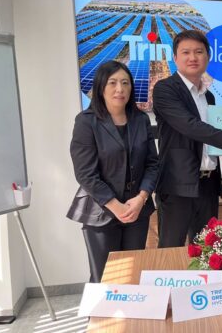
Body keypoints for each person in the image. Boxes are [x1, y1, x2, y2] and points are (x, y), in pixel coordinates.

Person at [153, 29, 222, 248]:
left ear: (208, 57)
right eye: (186, 52)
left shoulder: (209, 96)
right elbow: (190, 126)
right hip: (177, 185)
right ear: (175, 57)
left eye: (199, 52)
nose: (193, 57)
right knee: (171, 250)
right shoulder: (165, 89)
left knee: (207, 250)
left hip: (208, 184)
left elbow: (211, 135)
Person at [68, 61, 158, 283]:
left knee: (132, 276)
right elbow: (85, 173)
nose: (120, 89)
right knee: (105, 278)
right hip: (101, 211)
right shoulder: (86, 122)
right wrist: (116, 206)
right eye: (113, 83)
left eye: (125, 83)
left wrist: (141, 198)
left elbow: (152, 164)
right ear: (101, 87)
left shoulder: (141, 120)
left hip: (136, 211)